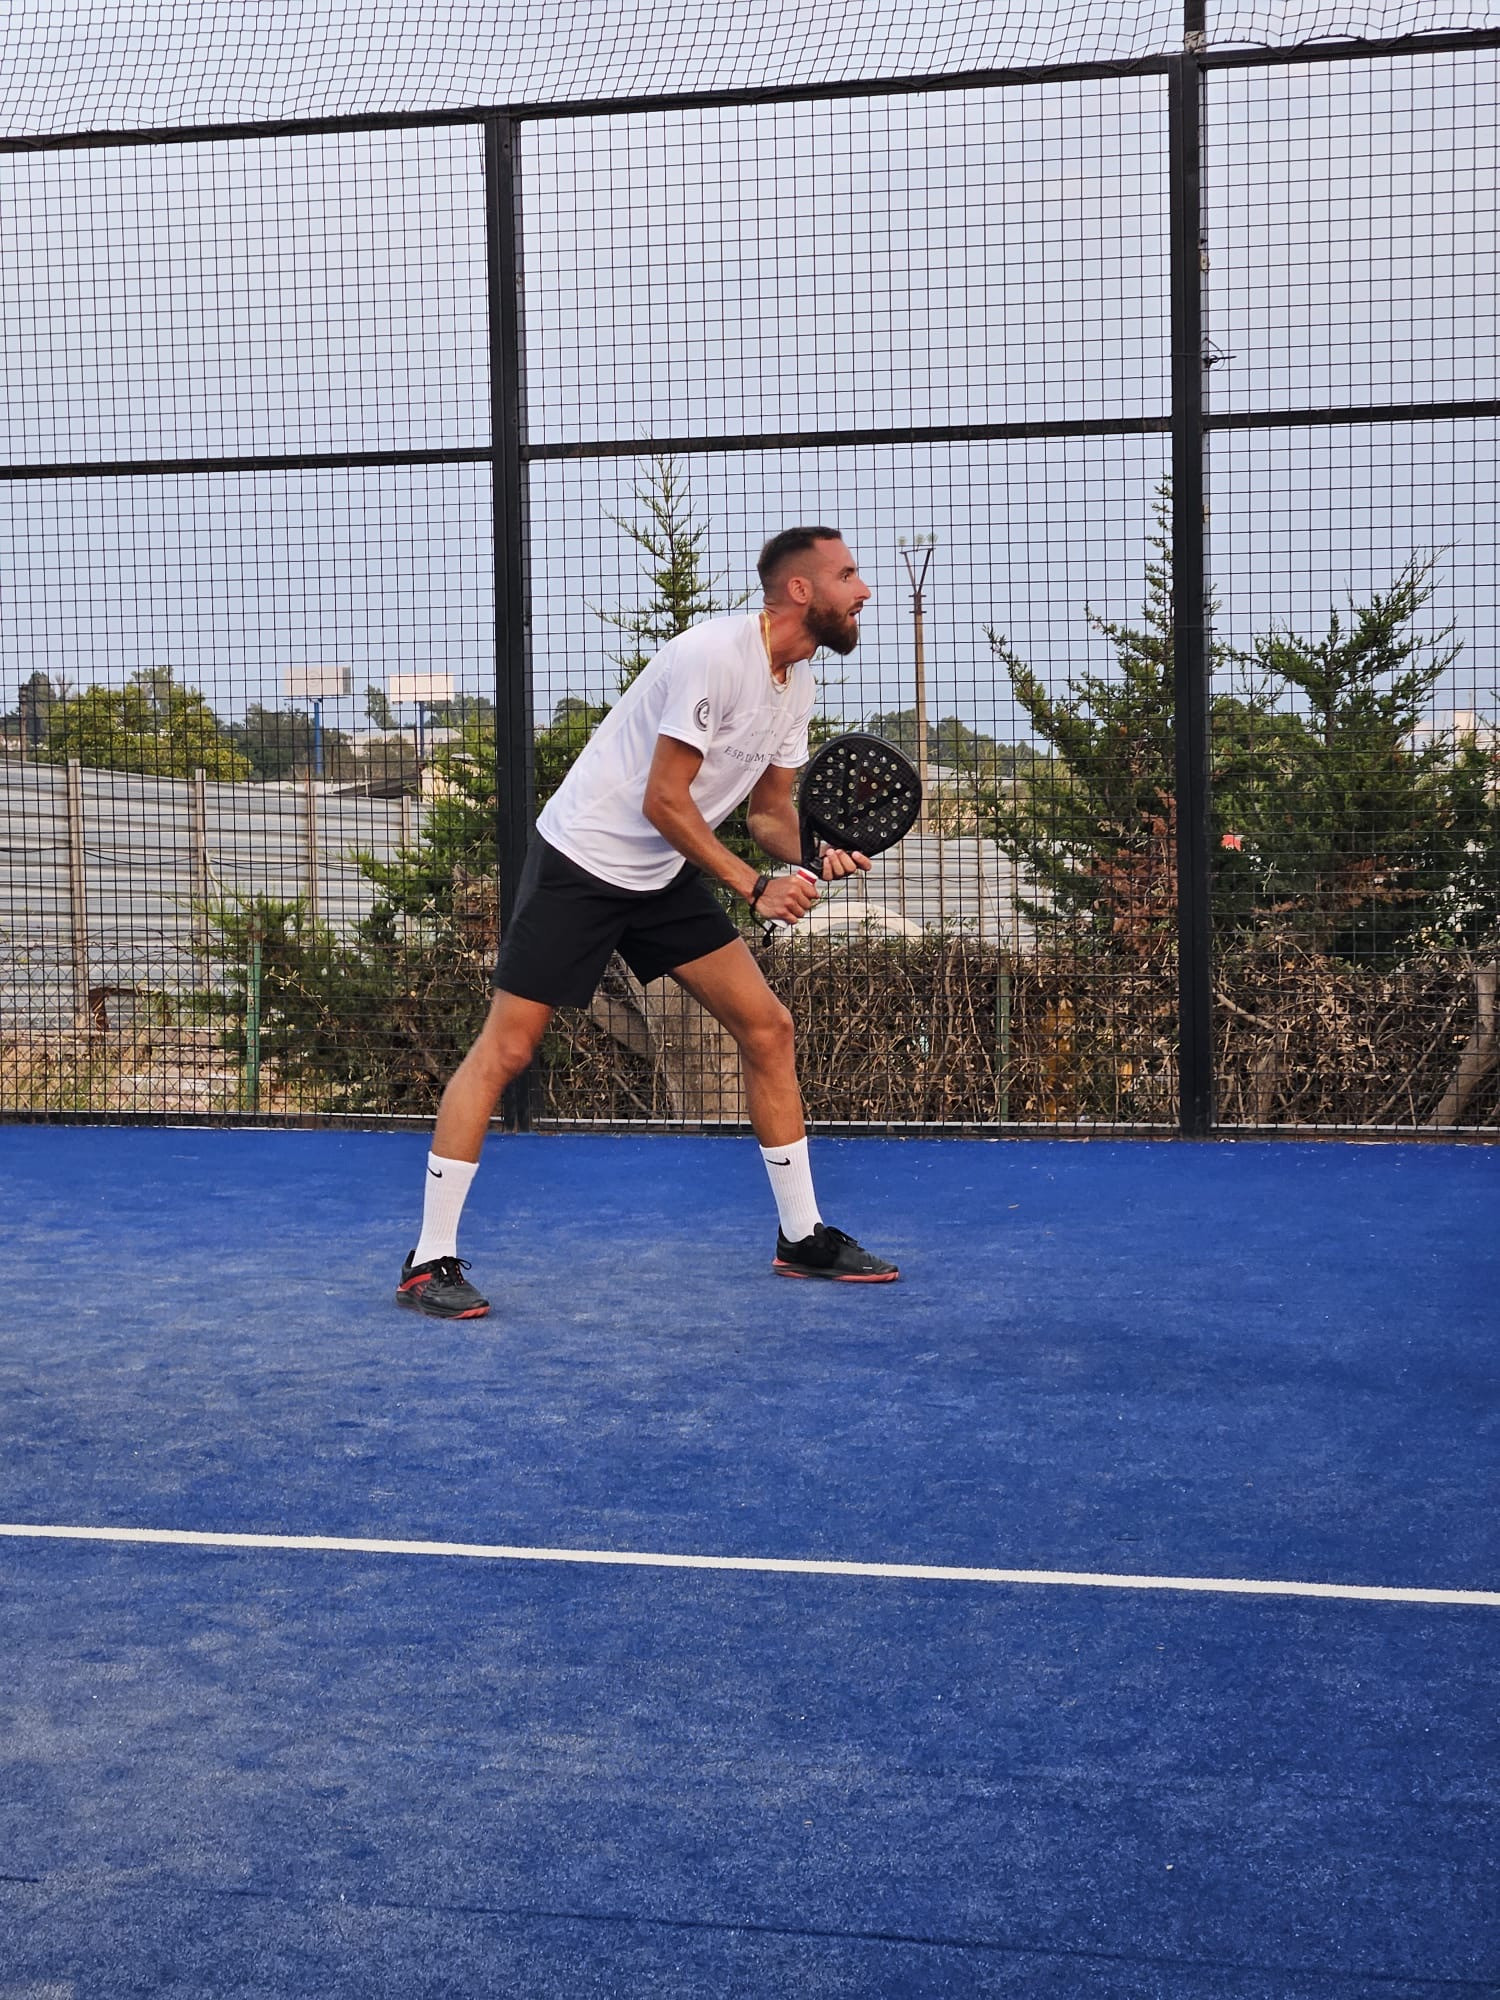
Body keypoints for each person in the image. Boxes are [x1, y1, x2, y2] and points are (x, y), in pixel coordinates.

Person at [396, 525, 900, 1319]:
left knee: (768, 1028)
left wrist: (815, 852)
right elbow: (663, 799)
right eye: (848, 575)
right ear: (800, 590)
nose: (863, 590)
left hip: (662, 873)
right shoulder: (714, 655)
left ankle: (801, 1236)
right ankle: (428, 1260)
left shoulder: (796, 683)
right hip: (583, 861)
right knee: (508, 1050)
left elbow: (769, 814)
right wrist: (753, 886)